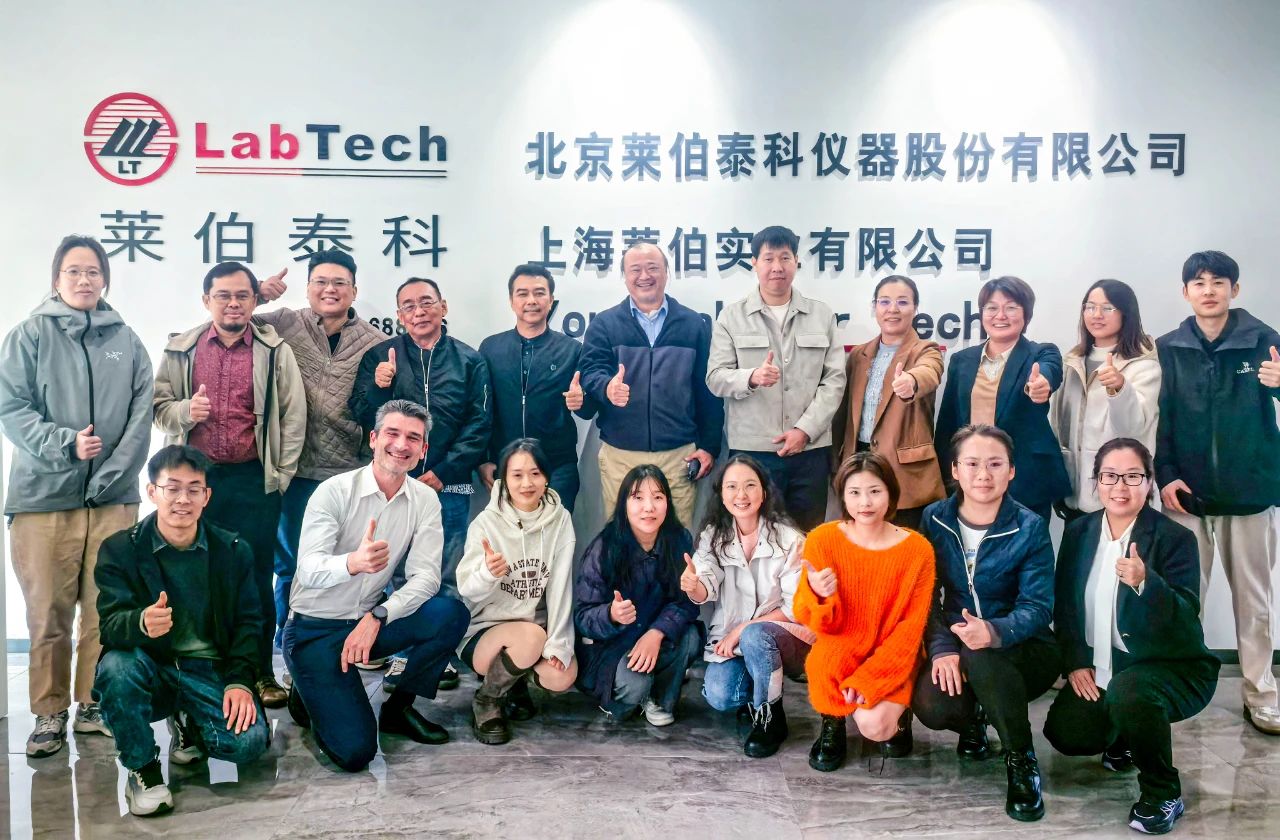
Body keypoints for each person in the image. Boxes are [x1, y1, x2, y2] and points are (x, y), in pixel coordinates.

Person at [0, 235, 152, 757]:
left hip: (113, 500)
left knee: (105, 612)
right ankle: (48, 712)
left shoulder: (126, 340)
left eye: (93, 271)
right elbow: (11, 407)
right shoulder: (29, 336)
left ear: (105, 279)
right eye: (74, 271)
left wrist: (112, 474)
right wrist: (65, 444)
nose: (84, 280)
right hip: (43, 500)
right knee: (48, 615)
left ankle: (92, 705)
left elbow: (141, 416)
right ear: (56, 279)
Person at [282, 399, 470, 772]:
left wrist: (380, 615)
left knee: (450, 613)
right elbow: (308, 569)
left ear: (423, 449)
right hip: (314, 630)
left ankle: (398, 708)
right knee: (356, 754)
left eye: (413, 438)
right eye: (392, 433)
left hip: (367, 621)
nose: (401, 445)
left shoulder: (424, 499)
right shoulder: (334, 491)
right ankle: (308, 691)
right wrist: (353, 563)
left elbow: (427, 577)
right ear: (373, 438)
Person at [1043, 438, 1219, 835]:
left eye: (1133, 476)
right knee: (1067, 734)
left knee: (1130, 692)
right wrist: (1076, 663)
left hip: (1172, 667)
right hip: (1106, 664)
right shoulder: (1079, 532)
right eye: (1110, 476)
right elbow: (1066, 607)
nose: (1120, 487)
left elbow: (1185, 619)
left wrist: (1145, 583)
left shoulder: (1175, 538)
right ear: (1096, 482)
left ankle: (1163, 791)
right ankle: (1124, 733)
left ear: (1149, 482)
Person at [153, 260, 306, 708]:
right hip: (194, 483)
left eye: (242, 295)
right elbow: (158, 408)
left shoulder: (274, 350)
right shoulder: (181, 349)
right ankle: (204, 672)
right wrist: (186, 412)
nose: (233, 303)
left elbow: (293, 416)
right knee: (195, 575)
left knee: (255, 577)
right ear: (207, 300)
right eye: (223, 295)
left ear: (255, 300)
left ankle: (259, 672)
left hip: (253, 479)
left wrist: (280, 477)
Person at [93, 446, 269, 817]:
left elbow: (249, 623)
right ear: (152, 492)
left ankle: (189, 720)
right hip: (153, 667)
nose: (183, 499)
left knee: (248, 744)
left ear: (207, 496)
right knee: (116, 667)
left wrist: (239, 681)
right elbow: (109, 626)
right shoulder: (120, 550)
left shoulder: (232, 550)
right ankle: (143, 769)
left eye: (193, 489)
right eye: (172, 488)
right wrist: (140, 622)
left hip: (208, 669)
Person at [1156, 250, 1280, 735]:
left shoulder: (1264, 341)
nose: (1208, 290)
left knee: (1254, 602)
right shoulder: (1169, 348)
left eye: (1218, 282)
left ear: (1235, 289)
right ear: (1185, 291)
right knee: (1184, 601)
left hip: (1248, 493)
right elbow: (1161, 419)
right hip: (1185, 498)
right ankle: (1178, 690)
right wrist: (1165, 475)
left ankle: (1261, 694)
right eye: (1199, 282)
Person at [912, 424, 1059, 822]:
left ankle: (1021, 760)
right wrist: (942, 648)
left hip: (1025, 646)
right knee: (932, 705)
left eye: (995, 464)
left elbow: (1038, 606)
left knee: (982, 656)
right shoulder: (934, 518)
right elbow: (926, 593)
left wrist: (993, 632)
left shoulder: (1029, 526)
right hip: (958, 638)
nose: (983, 475)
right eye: (972, 464)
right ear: (955, 469)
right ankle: (974, 721)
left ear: (1011, 470)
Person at [350, 277, 490, 688]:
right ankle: (401, 653)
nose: (419, 312)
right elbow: (361, 413)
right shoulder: (380, 356)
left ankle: (436, 657)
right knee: (396, 571)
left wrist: (443, 472)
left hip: (451, 484)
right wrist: (378, 387)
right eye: (408, 306)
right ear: (399, 316)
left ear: (443, 307)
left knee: (445, 570)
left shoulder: (469, 359)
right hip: (394, 484)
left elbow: (480, 423)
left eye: (426, 302)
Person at [253, 249, 387, 646]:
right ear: (308, 287)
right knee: (291, 562)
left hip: (349, 470)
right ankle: (287, 637)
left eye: (339, 283)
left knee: (348, 562)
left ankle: (340, 640)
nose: (330, 289)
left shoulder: (377, 343)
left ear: (354, 291)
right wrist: (257, 295)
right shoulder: (284, 322)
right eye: (321, 282)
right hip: (294, 468)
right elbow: (227, 321)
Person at [793, 453, 935, 772]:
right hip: (842, 641)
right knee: (823, 662)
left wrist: (871, 679)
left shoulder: (918, 550)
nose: (865, 502)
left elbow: (910, 630)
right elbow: (813, 620)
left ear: (890, 494)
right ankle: (833, 722)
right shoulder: (822, 540)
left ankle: (899, 717)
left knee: (875, 726)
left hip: (893, 650)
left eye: (875, 491)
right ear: (843, 496)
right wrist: (818, 593)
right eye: (854, 492)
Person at [705, 226, 846, 529]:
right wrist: (751, 377)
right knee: (753, 535)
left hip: (810, 450)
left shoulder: (821, 315)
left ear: (796, 261)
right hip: (754, 451)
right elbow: (715, 377)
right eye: (768, 258)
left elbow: (834, 380)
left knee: (806, 536)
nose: (777, 267)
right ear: (754, 263)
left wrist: (805, 430)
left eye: (785, 258)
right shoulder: (732, 317)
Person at [579, 242, 723, 528]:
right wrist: (607, 387)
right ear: (625, 276)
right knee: (622, 537)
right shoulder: (605, 324)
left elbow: (707, 390)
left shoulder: (693, 324)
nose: (644, 276)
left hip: (678, 454)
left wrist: (709, 446)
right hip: (621, 454)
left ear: (666, 272)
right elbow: (590, 371)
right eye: (635, 269)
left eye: (652, 268)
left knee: (677, 537)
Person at [685, 454, 813, 758]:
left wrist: (743, 629)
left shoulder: (790, 539)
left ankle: (771, 719)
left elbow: (797, 607)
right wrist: (694, 586)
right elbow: (706, 585)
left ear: (764, 492)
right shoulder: (713, 536)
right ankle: (757, 695)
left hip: (786, 639)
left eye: (749, 485)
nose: (741, 495)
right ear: (721, 494)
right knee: (719, 694)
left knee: (755, 635)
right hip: (736, 642)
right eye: (731, 486)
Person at [456, 439, 576, 744]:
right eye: (517, 475)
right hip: (485, 632)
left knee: (561, 675)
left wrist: (559, 644)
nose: (526, 483)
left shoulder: (560, 519)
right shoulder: (486, 523)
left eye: (535, 474)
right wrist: (487, 573)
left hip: (535, 628)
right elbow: (466, 589)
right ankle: (487, 700)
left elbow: (561, 586)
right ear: (503, 479)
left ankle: (514, 683)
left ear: (546, 477)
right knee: (530, 637)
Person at [574, 465, 701, 725]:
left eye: (657, 497)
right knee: (634, 686)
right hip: (614, 647)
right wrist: (610, 615)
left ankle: (659, 698)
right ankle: (632, 695)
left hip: (656, 638)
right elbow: (582, 615)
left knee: (690, 636)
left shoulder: (679, 540)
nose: (648, 507)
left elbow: (687, 602)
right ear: (624, 504)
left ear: (667, 502)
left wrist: (657, 632)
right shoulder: (604, 547)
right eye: (638, 498)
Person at [934, 276, 1069, 521]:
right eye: (992, 308)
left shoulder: (1041, 353)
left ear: (1026, 314)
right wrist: (945, 477)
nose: (1000, 315)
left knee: (1026, 544)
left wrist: (1041, 385)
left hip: (1025, 480)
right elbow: (947, 424)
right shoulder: (962, 360)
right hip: (971, 479)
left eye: (1011, 308)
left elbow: (1049, 371)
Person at [477, 264, 593, 512]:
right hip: (505, 465)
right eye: (523, 293)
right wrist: (483, 459)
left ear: (551, 300)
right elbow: (480, 409)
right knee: (509, 535)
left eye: (539, 293)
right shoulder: (491, 348)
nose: (531, 300)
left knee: (555, 534)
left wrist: (581, 399)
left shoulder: (571, 350)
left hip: (557, 467)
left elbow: (588, 410)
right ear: (511, 301)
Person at [833, 275, 945, 530]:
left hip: (905, 476)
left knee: (905, 546)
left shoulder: (925, 350)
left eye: (902, 302)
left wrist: (911, 382)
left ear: (915, 308)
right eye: (884, 302)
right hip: (858, 466)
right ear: (874, 307)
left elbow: (929, 372)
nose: (892, 309)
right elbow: (843, 414)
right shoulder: (858, 355)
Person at [1049, 279, 1160, 521]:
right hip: (1073, 498)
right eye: (1090, 307)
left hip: (1120, 497)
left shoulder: (1142, 366)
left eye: (1107, 308)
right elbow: (1058, 428)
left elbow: (1132, 431)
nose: (1096, 315)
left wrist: (1120, 389)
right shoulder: (1072, 362)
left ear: (1125, 313)